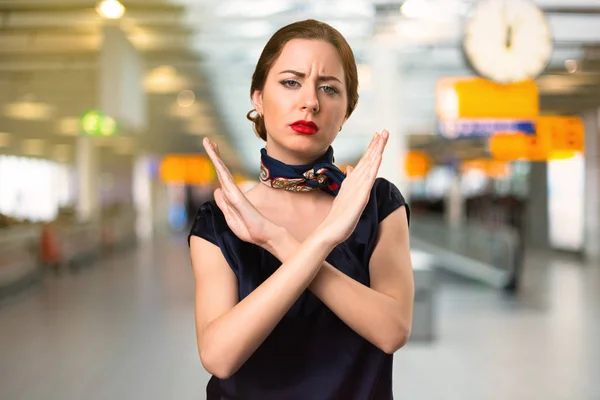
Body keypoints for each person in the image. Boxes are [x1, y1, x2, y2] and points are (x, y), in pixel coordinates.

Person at [188, 19, 414, 400]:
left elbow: (392, 331)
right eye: (291, 82)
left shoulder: (378, 205)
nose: (310, 101)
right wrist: (323, 240)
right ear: (257, 98)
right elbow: (219, 356)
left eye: (329, 88)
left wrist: (278, 241)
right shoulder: (221, 219)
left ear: (346, 110)